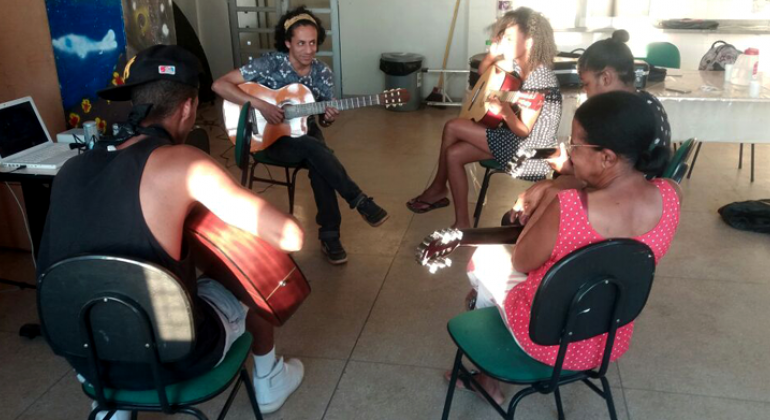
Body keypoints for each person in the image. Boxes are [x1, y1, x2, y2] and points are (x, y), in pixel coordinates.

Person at [37, 45, 305, 417]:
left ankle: (112, 408)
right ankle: (270, 377)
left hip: (85, 358)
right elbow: (290, 236)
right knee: (251, 266)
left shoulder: (71, 169)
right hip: (173, 358)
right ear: (188, 108)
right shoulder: (182, 163)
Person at [452, 91, 682, 403]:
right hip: (607, 340)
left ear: (607, 157)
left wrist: (552, 191)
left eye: (575, 145)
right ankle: (485, 328)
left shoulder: (570, 207)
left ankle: (487, 377)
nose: (569, 154)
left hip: (543, 338)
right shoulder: (671, 195)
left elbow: (521, 261)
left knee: (484, 258)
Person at [212, 6, 387, 265]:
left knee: (318, 158)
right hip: (269, 137)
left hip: (305, 130)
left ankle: (331, 235)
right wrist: (262, 105)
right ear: (287, 43)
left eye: (313, 43)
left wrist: (328, 117)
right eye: (301, 43)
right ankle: (357, 203)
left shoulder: (322, 73)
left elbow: (324, 119)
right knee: (318, 152)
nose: (309, 50)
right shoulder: (270, 63)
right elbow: (219, 84)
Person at [406, 7, 562, 229]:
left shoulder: (539, 77)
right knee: (453, 153)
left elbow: (524, 130)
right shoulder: (521, 65)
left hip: (530, 151)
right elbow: (483, 72)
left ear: (529, 42)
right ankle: (462, 224)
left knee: (452, 127)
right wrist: (492, 54)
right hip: (513, 139)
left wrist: (504, 110)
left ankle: (438, 188)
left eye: (508, 38)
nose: (502, 42)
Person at [512, 36, 673, 225]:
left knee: (522, 215)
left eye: (586, 84)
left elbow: (616, 182)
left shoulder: (624, 118)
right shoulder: (644, 103)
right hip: (632, 201)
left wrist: (562, 176)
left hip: (621, 210)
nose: (585, 92)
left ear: (605, 78)